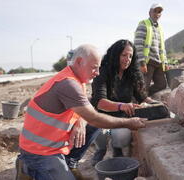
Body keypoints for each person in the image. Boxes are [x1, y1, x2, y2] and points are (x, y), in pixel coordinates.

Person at [17, 44, 146, 180]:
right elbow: (94, 117)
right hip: (39, 152)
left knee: (92, 125)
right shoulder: (68, 84)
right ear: (79, 62)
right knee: (95, 121)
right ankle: (27, 168)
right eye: (94, 67)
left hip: (54, 145)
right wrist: (128, 123)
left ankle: (69, 162)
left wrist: (80, 121)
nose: (97, 72)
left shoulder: (78, 80)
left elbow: (88, 110)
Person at [134, 3, 169, 96]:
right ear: (150, 12)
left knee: (162, 84)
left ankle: (146, 96)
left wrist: (165, 62)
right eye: (155, 11)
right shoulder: (143, 24)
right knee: (142, 86)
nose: (157, 13)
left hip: (158, 62)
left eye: (159, 12)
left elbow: (162, 47)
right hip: (147, 62)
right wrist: (142, 62)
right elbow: (138, 44)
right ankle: (137, 105)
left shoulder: (160, 29)